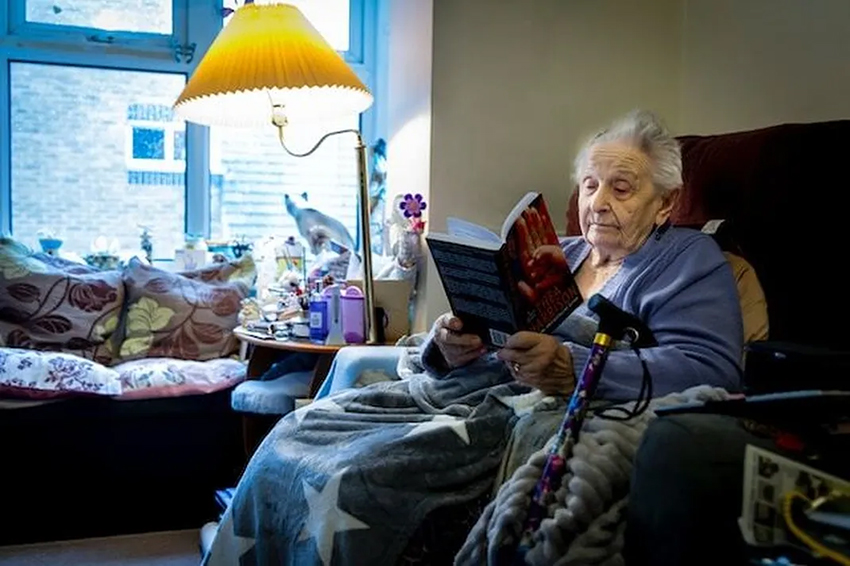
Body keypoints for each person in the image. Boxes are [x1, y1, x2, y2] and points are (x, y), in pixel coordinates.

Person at [202, 110, 745, 566]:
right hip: (465, 389)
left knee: (351, 476)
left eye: (621, 187)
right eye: (589, 184)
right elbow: (492, 334)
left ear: (666, 204)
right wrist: (450, 343)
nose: (598, 202)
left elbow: (713, 369)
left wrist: (573, 365)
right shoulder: (564, 252)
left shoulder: (686, 259)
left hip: (519, 412)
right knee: (295, 430)